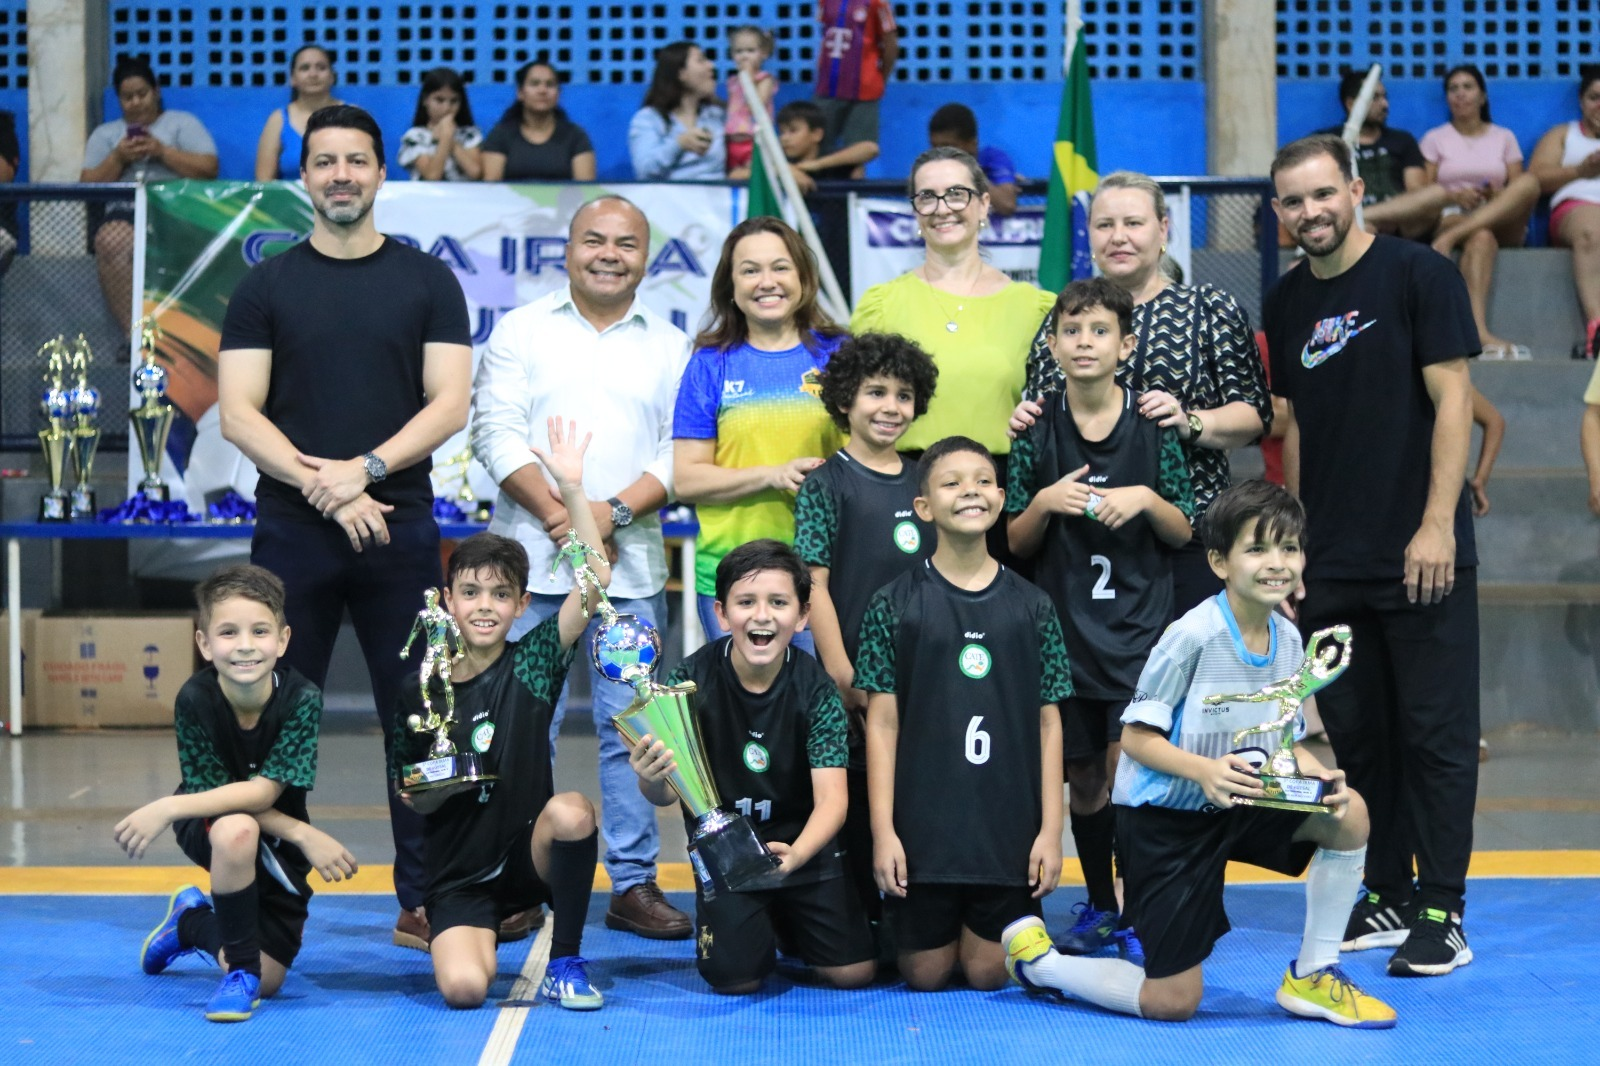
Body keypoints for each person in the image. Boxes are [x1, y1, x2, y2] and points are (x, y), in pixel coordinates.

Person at [1003, 480, 1398, 1030]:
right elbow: (1138, 740)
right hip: (1166, 817)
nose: (1277, 562)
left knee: (1349, 811)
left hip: (1239, 797)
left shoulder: (1287, 640)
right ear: (1219, 561)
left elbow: (1279, 737)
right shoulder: (1191, 636)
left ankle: (1313, 975)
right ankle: (1046, 966)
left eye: (1289, 547)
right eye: (1257, 548)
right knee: (1173, 1001)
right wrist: (1206, 771)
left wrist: (1314, 772)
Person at [218, 104, 473, 952]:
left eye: (355, 161)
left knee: (423, 715)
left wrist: (362, 473)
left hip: (397, 530)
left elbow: (449, 403)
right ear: (305, 177)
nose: (340, 176)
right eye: (324, 162)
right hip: (293, 533)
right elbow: (238, 414)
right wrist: (327, 489)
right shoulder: (266, 285)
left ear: (378, 174)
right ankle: (269, 906)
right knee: (275, 712)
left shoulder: (428, 280)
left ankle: (424, 900)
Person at [1265, 134, 1479, 977]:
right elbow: (1302, 431)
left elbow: (1454, 398)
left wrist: (1437, 523)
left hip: (1421, 555)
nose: (1310, 212)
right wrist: (1297, 548)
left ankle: (1443, 908)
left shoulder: (1418, 275)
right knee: (1362, 736)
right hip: (1335, 562)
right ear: (1278, 213)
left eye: (1323, 194)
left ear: (1355, 190)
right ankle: (1387, 887)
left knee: (1437, 737)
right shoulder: (1286, 304)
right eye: (1293, 201)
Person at [471, 195, 693, 941]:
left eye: (625, 243)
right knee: (515, 728)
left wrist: (610, 515)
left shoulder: (670, 346)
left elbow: (678, 453)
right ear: (565, 249)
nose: (608, 253)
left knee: (632, 730)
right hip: (527, 574)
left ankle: (633, 885)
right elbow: (494, 432)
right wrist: (565, 514)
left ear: (646, 256)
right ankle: (513, 882)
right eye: (593, 240)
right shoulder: (521, 331)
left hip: (627, 576)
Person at [1005, 278, 1195, 955]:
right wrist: (1045, 502)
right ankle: (1101, 902)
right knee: (1084, 776)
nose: (1085, 342)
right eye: (1072, 331)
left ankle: (1143, 902)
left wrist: (1144, 496)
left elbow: (1183, 531)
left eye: (1100, 331)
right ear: (1053, 343)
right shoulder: (1036, 426)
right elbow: (1016, 543)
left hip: (1139, 635)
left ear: (1127, 343)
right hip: (1063, 637)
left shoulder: (1151, 423)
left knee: (1132, 774)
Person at [393, 426, 608, 1010]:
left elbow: (593, 586)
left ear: (518, 604)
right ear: (448, 600)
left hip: (526, 857)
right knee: (463, 990)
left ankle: (565, 959)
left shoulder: (535, 663)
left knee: (571, 812)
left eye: (500, 594)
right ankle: (470, 931)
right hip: (457, 874)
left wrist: (570, 486)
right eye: (471, 592)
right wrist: (429, 789)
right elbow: (409, 788)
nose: (485, 605)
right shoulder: (420, 686)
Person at [854, 436, 1072, 992]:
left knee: (988, 974)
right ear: (923, 507)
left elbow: (1050, 724)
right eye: (951, 483)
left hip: (1005, 832)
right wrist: (884, 833)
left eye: (981, 481)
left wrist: (1051, 832)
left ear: (1001, 498)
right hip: (924, 830)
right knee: (924, 976)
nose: (969, 491)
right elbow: (881, 722)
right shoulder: (893, 604)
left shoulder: (1033, 606)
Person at [1014, 171, 1271, 616]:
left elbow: (1255, 417)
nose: (1119, 237)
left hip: (1189, 537)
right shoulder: (1058, 322)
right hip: (1080, 544)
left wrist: (1190, 422)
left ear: (1163, 229)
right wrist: (1023, 416)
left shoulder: (1209, 310)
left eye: (1133, 223)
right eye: (1104, 225)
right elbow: (1041, 419)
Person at [627, 540, 878, 994]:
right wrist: (650, 778)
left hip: (802, 848)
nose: (762, 616)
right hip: (727, 855)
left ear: (801, 616)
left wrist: (797, 856)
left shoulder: (817, 690)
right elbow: (667, 794)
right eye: (746, 602)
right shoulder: (688, 683)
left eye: (778, 603)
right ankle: (759, 919)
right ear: (722, 614)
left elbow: (833, 801)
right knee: (735, 979)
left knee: (853, 974)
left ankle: (785, 915)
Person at [114, 565, 358, 1023]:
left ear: (283, 640)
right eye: (228, 632)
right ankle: (239, 977)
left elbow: (264, 792)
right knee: (236, 828)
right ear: (204, 643)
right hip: (206, 820)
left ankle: (190, 922)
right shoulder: (194, 698)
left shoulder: (302, 698)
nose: (245, 644)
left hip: (274, 835)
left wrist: (299, 835)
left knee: (273, 979)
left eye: (259, 630)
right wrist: (173, 809)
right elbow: (222, 800)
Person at [794, 331, 940, 928]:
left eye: (904, 395)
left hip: (925, 673)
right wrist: (841, 671)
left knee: (919, 787)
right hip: (858, 676)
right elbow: (816, 586)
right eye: (875, 392)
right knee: (858, 789)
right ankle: (859, 913)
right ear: (845, 400)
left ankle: (919, 908)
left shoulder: (927, 479)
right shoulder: (827, 483)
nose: (890, 407)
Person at [852, 147, 1055, 562]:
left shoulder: (1035, 308)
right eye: (927, 196)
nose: (942, 208)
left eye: (956, 194)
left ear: (983, 204)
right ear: (914, 211)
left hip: (1000, 497)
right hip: (905, 493)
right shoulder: (881, 306)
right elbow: (855, 417)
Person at [674, 216, 847, 646]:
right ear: (730, 286)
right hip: (735, 578)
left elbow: (865, 463)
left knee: (823, 711)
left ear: (804, 277)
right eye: (750, 270)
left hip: (824, 575)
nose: (766, 282)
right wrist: (772, 474)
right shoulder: (710, 364)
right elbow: (687, 478)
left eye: (780, 267)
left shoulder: (840, 354)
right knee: (743, 712)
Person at [80, 55, 219, 337]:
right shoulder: (106, 134)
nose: (136, 102)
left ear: (156, 91)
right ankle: (134, 337)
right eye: (127, 97)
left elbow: (209, 168)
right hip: (125, 211)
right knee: (109, 240)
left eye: (142, 94)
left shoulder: (181, 124)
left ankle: (192, 336)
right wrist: (118, 159)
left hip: (178, 209)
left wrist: (162, 152)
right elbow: (87, 186)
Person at [1422, 64, 1541, 358]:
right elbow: (1425, 194)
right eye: (1453, 88)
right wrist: (1456, 195)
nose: (1460, 94)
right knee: (1482, 237)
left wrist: (1493, 194)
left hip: (1501, 216)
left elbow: (1517, 190)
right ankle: (1478, 333)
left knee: (1529, 182)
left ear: (1483, 96)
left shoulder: (1504, 137)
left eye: (1468, 87)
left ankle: (1449, 240)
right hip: (1453, 213)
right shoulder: (1435, 138)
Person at [1315, 70, 1466, 241]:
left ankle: (1362, 216)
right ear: (1351, 104)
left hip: (1400, 222)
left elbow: (1416, 191)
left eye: (1385, 97)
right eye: (1375, 98)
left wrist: (1389, 214)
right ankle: (1357, 220)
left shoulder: (1402, 140)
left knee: (1437, 193)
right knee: (1364, 231)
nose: (1385, 104)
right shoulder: (1326, 143)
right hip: (1351, 225)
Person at [1529, 67, 1600, 360]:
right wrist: (1580, 171)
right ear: (1581, 102)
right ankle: (1597, 329)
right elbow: (1534, 180)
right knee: (1593, 231)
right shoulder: (1563, 134)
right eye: (1594, 97)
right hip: (1575, 210)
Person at [813, 0, 897, 170]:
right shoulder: (824, 2)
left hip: (864, 90)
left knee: (857, 151)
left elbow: (891, 44)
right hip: (826, 87)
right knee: (817, 144)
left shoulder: (878, 4)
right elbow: (826, 34)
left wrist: (879, 78)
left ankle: (855, 194)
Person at [480, 59, 597, 182]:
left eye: (550, 84)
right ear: (520, 93)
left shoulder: (575, 136)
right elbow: (491, 189)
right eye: (534, 84)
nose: (542, 91)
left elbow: (586, 190)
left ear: (558, 94)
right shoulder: (501, 135)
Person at [629, 42, 726, 181]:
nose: (711, 66)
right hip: (668, 199)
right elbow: (644, 171)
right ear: (681, 74)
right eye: (701, 60)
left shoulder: (718, 115)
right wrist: (679, 144)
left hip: (717, 199)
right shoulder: (648, 119)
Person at [253, 45, 341, 182]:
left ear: (332, 76)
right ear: (293, 78)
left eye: (321, 67)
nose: (313, 74)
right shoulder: (278, 120)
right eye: (305, 68)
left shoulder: (354, 115)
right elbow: (264, 181)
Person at [927, 103, 1018, 216]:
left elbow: (1006, 205)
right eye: (934, 146)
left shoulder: (992, 159)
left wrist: (968, 172)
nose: (940, 154)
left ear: (972, 144)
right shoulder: (927, 166)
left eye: (948, 147)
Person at [399, 67, 483, 182]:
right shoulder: (415, 137)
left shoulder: (469, 134)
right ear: (425, 100)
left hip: (464, 199)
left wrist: (451, 141)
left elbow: (476, 173)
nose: (447, 108)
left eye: (454, 101)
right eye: (439, 100)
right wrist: (445, 139)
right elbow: (432, 177)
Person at [724, 25, 778, 177]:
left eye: (750, 51)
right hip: (732, 141)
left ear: (764, 53)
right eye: (739, 51)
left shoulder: (764, 79)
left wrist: (748, 79)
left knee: (752, 177)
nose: (744, 56)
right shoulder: (733, 81)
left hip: (754, 142)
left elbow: (756, 105)